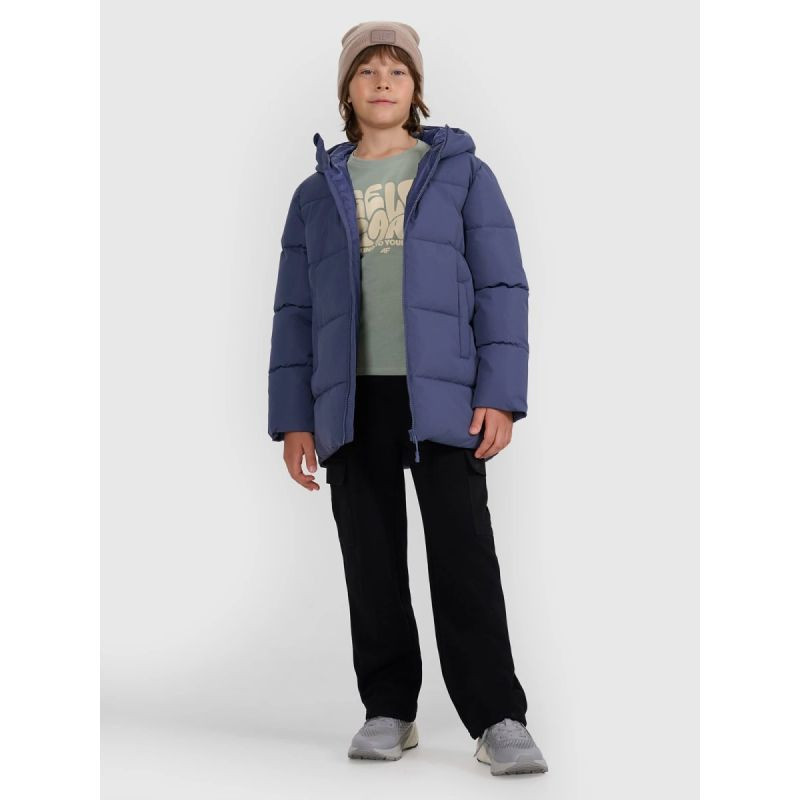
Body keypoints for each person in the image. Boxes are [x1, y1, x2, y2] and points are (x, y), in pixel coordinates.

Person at [267, 20, 548, 777]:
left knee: (463, 556)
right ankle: (389, 708)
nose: (383, 82)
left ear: (416, 88)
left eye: (397, 70)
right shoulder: (314, 195)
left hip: (446, 399)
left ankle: (497, 716)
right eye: (367, 71)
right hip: (350, 401)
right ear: (347, 91)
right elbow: (295, 310)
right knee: (371, 560)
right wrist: (294, 418)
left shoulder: (462, 175)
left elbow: (501, 287)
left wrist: (500, 395)